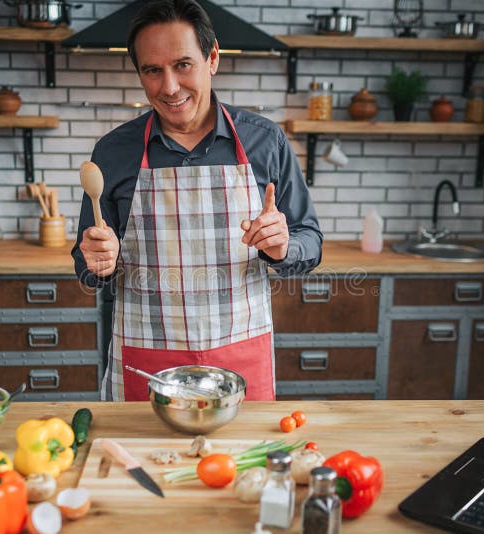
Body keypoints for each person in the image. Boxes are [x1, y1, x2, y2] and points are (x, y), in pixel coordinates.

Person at [72, 0, 322, 401]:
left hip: (239, 357)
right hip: (147, 362)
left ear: (213, 58)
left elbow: (310, 242)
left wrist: (283, 247)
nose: (169, 87)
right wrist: (98, 262)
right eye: (152, 70)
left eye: (183, 65)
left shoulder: (264, 142)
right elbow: (87, 269)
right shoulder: (113, 152)